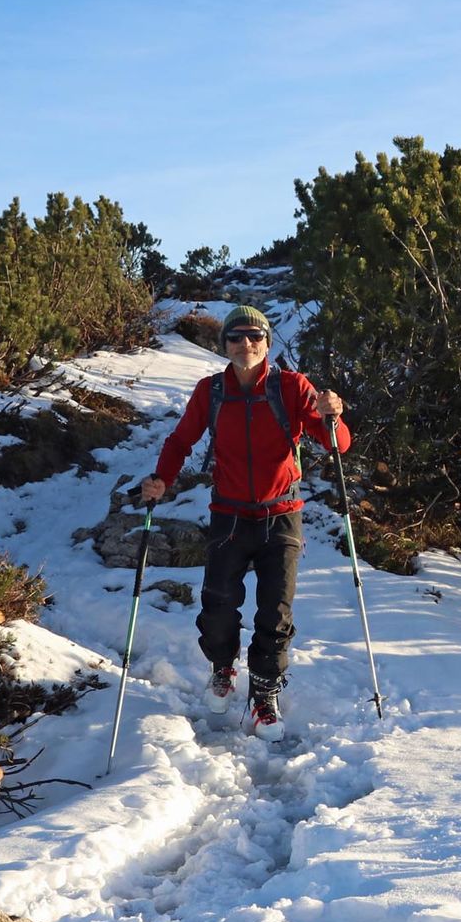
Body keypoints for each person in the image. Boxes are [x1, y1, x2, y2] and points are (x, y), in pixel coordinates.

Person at [141, 306, 349, 740]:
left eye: (254, 336)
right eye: (235, 337)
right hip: (230, 513)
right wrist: (162, 478)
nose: (245, 344)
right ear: (225, 346)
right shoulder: (211, 391)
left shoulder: (292, 387)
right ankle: (223, 667)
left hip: (282, 514)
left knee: (275, 611)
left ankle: (264, 694)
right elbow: (181, 440)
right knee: (218, 604)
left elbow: (337, 444)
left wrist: (333, 415)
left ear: (267, 342)